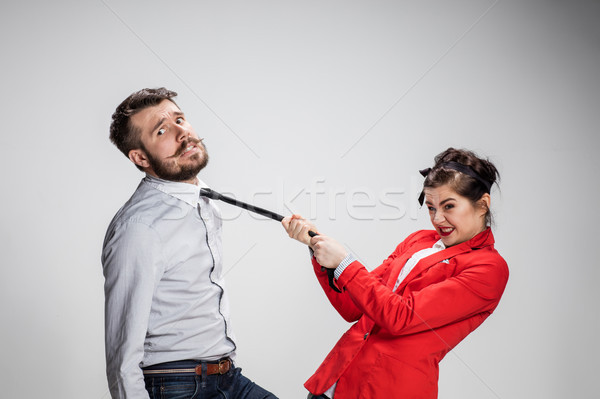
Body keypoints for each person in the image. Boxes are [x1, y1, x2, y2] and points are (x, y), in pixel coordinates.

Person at [282, 148, 509, 398]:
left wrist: (345, 262)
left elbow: (400, 317)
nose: (438, 218)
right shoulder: (418, 240)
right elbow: (353, 307)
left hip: (387, 390)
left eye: (449, 206)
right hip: (334, 383)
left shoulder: (488, 269)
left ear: (482, 204)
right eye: (431, 207)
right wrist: (318, 248)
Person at [102, 87, 277, 399]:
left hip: (225, 376)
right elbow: (121, 355)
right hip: (178, 385)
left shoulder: (202, 198)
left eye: (180, 119)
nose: (182, 132)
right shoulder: (139, 228)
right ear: (140, 157)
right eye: (162, 130)